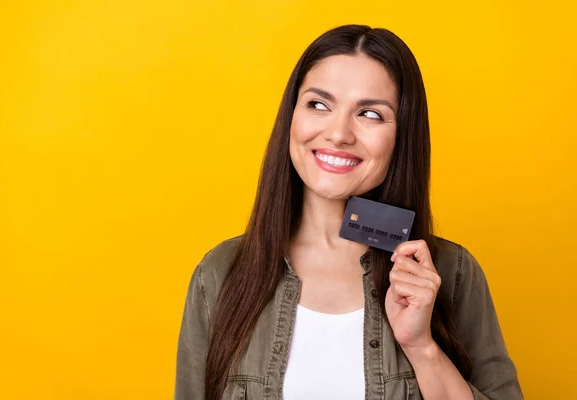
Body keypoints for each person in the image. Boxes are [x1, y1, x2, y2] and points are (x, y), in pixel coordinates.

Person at [174, 24, 523, 400]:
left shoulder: (451, 274)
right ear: (291, 117)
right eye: (318, 104)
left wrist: (422, 348)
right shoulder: (220, 274)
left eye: (370, 114)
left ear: (401, 136)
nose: (339, 133)